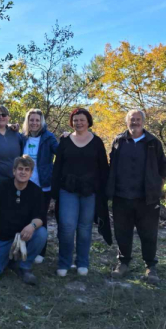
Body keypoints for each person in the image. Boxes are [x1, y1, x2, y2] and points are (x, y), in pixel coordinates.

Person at [106, 109, 166, 284]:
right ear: (127, 122)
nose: (135, 122)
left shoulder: (153, 142)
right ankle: (123, 264)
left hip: (147, 199)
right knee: (122, 233)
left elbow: (163, 167)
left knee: (148, 234)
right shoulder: (119, 141)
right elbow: (112, 164)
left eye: (138, 119)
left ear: (143, 122)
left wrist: (156, 186)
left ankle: (151, 267)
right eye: (132, 119)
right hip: (121, 197)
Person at [51, 108, 109, 277]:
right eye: (75, 120)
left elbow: (103, 168)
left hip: (89, 191)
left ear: (88, 121)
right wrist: (54, 191)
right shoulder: (65, 141)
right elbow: (57, 166)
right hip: (67, 190)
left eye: (82, 120)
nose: (78, 123)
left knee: (84, 228)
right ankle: (64, 262)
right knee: (67, 226)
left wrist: (104, 191)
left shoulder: (97, 142)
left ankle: (82, 262)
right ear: (72, 122)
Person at [0, 155, 48, 285]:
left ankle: (24, 266)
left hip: (23, 239)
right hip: (1, 238)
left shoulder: (36, 192)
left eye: (27, 169)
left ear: (31, 173)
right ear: (14, 171)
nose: (23, 172)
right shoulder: (1, 188)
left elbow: (41, 217)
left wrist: (32, 226)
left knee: (41, 233)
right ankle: (8, 259)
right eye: (20, 169)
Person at [20, 109, 58, 264]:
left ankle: (41, 251)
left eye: (37, 120)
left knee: (41, 218)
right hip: (24, 184)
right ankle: (23, 246)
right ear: (27, 122)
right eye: (31, 120)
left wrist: (69, 138)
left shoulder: (48, 137)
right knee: (23, 216)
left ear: (41, 122)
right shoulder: (22, 137)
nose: (34, 123)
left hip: (43, 185)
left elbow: (60, 151)